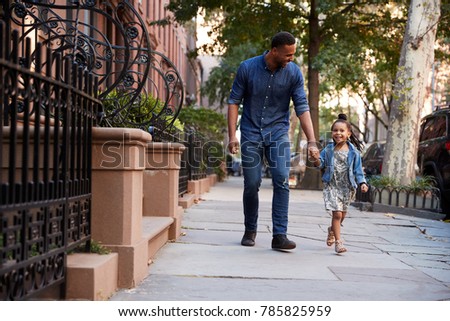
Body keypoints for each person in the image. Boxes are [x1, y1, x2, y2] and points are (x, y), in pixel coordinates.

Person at [227, 31, 318, 250]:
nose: (291, 58)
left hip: (278, 133)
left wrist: (312, 140)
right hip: (250, 132)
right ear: (274, 51)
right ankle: (250, 229)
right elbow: (233, 102)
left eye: (293, 54)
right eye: (288, 54)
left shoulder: (294, 73)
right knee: (252, 183)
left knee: (281, 179)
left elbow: (302, 107)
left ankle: (279, 235)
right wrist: (232, 136)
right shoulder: (247, 68)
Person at [312, 114, 369, 254]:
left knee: (342, 215)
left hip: (347, 188)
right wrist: (315, 158)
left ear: (348, 134)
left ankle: (332, 230)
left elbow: (358, 171)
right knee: (336, 214)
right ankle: (339, 242)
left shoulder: (354, 152)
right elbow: (320, 164)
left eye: (342, 131)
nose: (338, 133)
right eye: (335, 130)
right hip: (332, 185)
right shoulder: (329, 149)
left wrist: (362, 182)